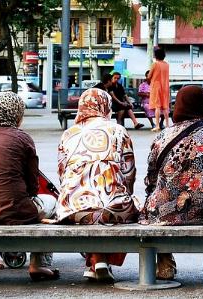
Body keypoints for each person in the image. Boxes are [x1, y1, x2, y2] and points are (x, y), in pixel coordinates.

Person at [140, 86, 203, 281]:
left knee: (157, 204)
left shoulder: (163, 136)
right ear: (202, 107)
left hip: (165, 211)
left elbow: (151, 180)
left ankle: (165, 263)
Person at [0, 92, 59, 283]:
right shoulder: (23, 139)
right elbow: (33, 187)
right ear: (17, 115)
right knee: (52, 203)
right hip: (15, 211)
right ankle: (37, 263)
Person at [53, 88, 141, 282]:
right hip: (112, 208)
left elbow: (62, 175)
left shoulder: (68, 134)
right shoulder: (118, 130)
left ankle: (95, 260)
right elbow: (129, 174)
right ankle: (102, 259)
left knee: (91, 212)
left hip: (72, 208)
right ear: (106, 106)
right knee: (126, 205)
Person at [147, 47, 170, 132]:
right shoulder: (167, 64)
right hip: (165, 86)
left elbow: (149, 76)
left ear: (156, 55)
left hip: (156, 86)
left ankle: (157, 125)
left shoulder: (155, 64)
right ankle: (167, 125)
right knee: (165, 107)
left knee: (157, 106)